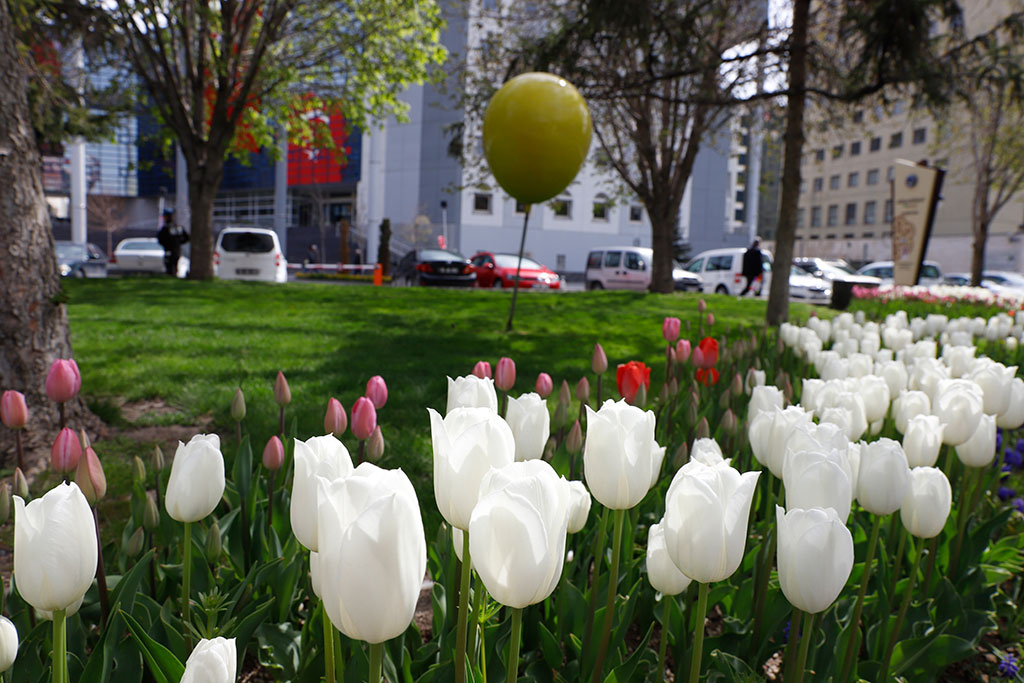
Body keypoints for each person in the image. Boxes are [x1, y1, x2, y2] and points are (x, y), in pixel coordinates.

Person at [157, 209, 190, 276]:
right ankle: (173, 274)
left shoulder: (173, 228)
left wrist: (177, 243)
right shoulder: (176, 228)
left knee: (172, 264)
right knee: (171, 264)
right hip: (174, 250)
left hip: (172, 250)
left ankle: (173, 274)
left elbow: (187, 238)